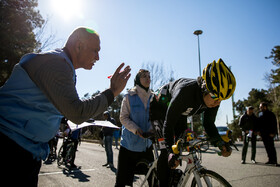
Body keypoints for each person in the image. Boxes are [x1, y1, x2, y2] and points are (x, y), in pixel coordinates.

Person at [0, 27, 131, 186]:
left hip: (24, 151)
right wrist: (112, 92)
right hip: (10, 150)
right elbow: (76, 112)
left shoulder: (63, 65)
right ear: (79, 46)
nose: (98, 57)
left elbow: (50, 107)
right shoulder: (57, 64)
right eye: (95, 50)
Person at [150, 58, 236, 187]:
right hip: (160, 109)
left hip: (180, 114)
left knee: (180, 145)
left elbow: (208, 123)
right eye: (215, 98)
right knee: (167, 150)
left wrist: (219, 143)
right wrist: (170, 152)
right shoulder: (185, 92)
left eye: (221, 100)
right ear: (204, 88)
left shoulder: (214, 97)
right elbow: (168, 124)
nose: (217, 103)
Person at [115, 69, 154, 187]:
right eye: (144, 76)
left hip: (146, 145)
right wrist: (136, 129)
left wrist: (153, 129)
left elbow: (155, 118)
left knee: (154, 179)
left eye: (148, 76)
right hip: (129, 146)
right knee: (122, 182)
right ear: (137, 80)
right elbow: (123, 118)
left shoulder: (153, 97)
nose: (148, 78)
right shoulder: (129, 96)